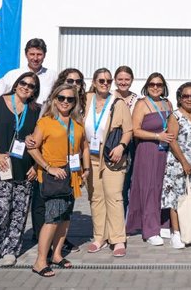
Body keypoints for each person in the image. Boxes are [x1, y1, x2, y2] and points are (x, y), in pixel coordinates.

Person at [28, 84, 90, 278]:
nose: (65, 102)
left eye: (70, 99)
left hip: (72, 175)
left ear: (74, 102)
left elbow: (84, 146)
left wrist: (86, 168)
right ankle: (40, 261)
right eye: (61, 98)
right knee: (52, 218)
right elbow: (32, 148)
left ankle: (56, 255)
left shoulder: (77, 123)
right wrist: (48, 167)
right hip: (53, 176)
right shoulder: (46, 122)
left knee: (64, 217)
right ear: (54, 100)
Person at [0, 72, 41, 266]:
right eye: (23, 83)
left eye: (31, 86)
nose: (26, 87)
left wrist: (37, 165)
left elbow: (39, 140)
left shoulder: (35, 110)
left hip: (24, 169)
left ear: (34, 91)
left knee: (19, 211)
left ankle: (10, 250)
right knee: (0, 209)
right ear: (16, 85)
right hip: (0, 166)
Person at [84, 68, 133, 257]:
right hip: (91, 157)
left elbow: (128, 130)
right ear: (94, 82)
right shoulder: (86, 100)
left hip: (112, 158)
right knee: (96, 198)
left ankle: (118, 239)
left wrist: (121, 146)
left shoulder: (118, 103)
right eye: (101, 81)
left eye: (108, 81)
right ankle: (99, 237)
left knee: (114, 197)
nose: (105, 84)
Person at [126, 73, 175, 245]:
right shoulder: (142, 104)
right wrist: (157, 136)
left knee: (163, 187)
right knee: (149, 188)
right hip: (148, 149)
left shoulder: (167, 103)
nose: (156, 87)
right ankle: (150, 230)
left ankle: (163, 223)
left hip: (165, 150)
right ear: (147, 86)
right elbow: (135, 130)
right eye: (152, 84)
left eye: (159, 84)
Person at [161, 82, 191, 249]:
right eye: (185, 96)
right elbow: (172, 140)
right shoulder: (175, 116)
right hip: (178, 163)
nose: (189, 99)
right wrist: (184, 162)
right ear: (179, 98)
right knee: (177, 198)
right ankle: (176, 233)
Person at [0, 38, 56, 109]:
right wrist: (2, 114)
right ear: (26, 55)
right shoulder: (13, 75)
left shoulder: (53, 76)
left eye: (39, 54)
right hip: (17, 119)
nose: (35, 58)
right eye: (32, 54)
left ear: (44, 55)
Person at [114, 65, 138, 214]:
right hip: (112, 143)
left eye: (126, 79)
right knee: (114, 185)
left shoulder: (136, 100)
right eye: (120, 79)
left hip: (131, 145)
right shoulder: (109, 96)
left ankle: (124, 220)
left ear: (132, 80)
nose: (123, 82)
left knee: (127, 183)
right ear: (115, 80)